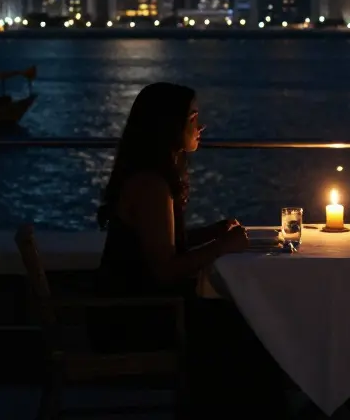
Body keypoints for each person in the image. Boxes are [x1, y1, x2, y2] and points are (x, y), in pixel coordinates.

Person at [94, 82, 281, 414]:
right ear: (168, 126)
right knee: (256, 333)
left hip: (138, 308)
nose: (201, 126)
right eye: (193, 118)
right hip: (139, 320)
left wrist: (211, 233)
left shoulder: (147, 177)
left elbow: (158, 245)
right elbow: (164, 270)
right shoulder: (151, 185)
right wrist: (222, 246)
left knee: (250, 324)